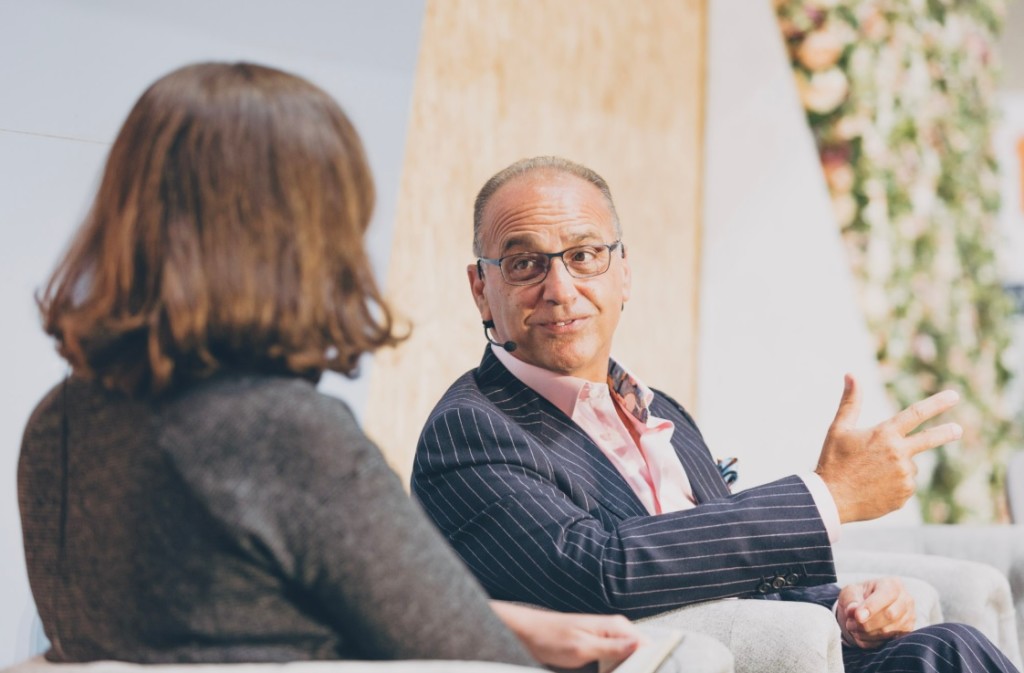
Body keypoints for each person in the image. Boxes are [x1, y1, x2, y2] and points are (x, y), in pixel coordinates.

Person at [18, 64, 645, 670]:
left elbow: (234, 617)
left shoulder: (57, 421)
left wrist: (504, 620)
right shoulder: (282, 435)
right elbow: (476, 658)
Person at [410, 155, 1020, 673]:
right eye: (524, 264)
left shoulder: (658, 407)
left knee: (942, 647)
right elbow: (598, 573)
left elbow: (717, 558)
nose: (560, 287)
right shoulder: (472, 429)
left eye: (585, 255)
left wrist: (843, 608)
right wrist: (828, 496)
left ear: (624, 273)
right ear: (480, 289)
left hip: (771, 648)